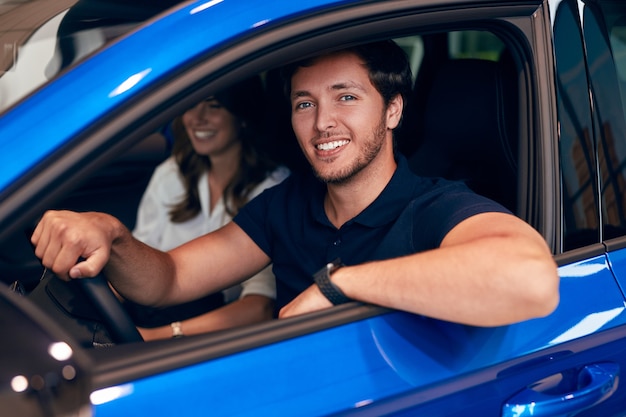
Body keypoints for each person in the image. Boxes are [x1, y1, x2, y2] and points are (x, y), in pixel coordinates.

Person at [31, 40, 559, 330]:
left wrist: (340, 285)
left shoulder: (434, 205)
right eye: (305, 103)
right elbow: (168, 279)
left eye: (346, 97)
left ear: (393, 110)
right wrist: (112, 234)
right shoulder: (285, 206)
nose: (322, 121)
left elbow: (530, 279)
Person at [126, 76, 289, 340]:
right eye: (191, 104)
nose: (197, 118)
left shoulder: (273, 190)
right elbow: (134, 264)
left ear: (242, 115)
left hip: (213, 335)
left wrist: (154, 337)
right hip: (148, 312)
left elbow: (260, 306)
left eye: (214, 106)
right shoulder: (172, 174)